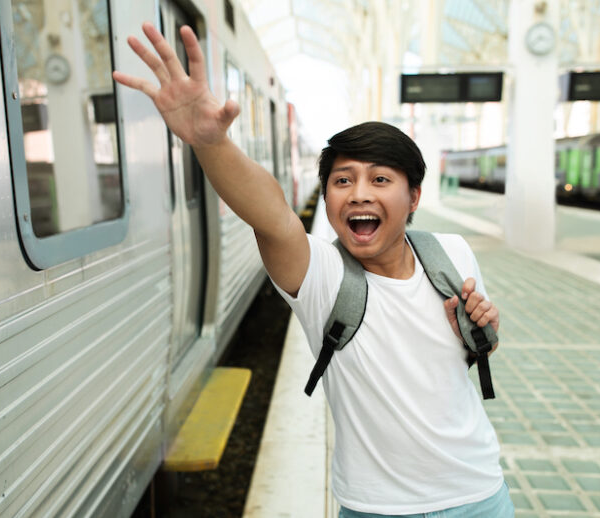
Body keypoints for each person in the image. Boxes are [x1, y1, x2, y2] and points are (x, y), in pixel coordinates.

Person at [114, 22, 514, 518]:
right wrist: (210, 143)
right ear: (326, 199)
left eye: (381, 179)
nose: (360, 192)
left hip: (481, 494)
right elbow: (272, 216)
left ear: (413, 197)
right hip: (377, 508)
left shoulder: (451, 252)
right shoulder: (321, 273)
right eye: (343, 180)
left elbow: (476, 353)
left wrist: (483, 331)